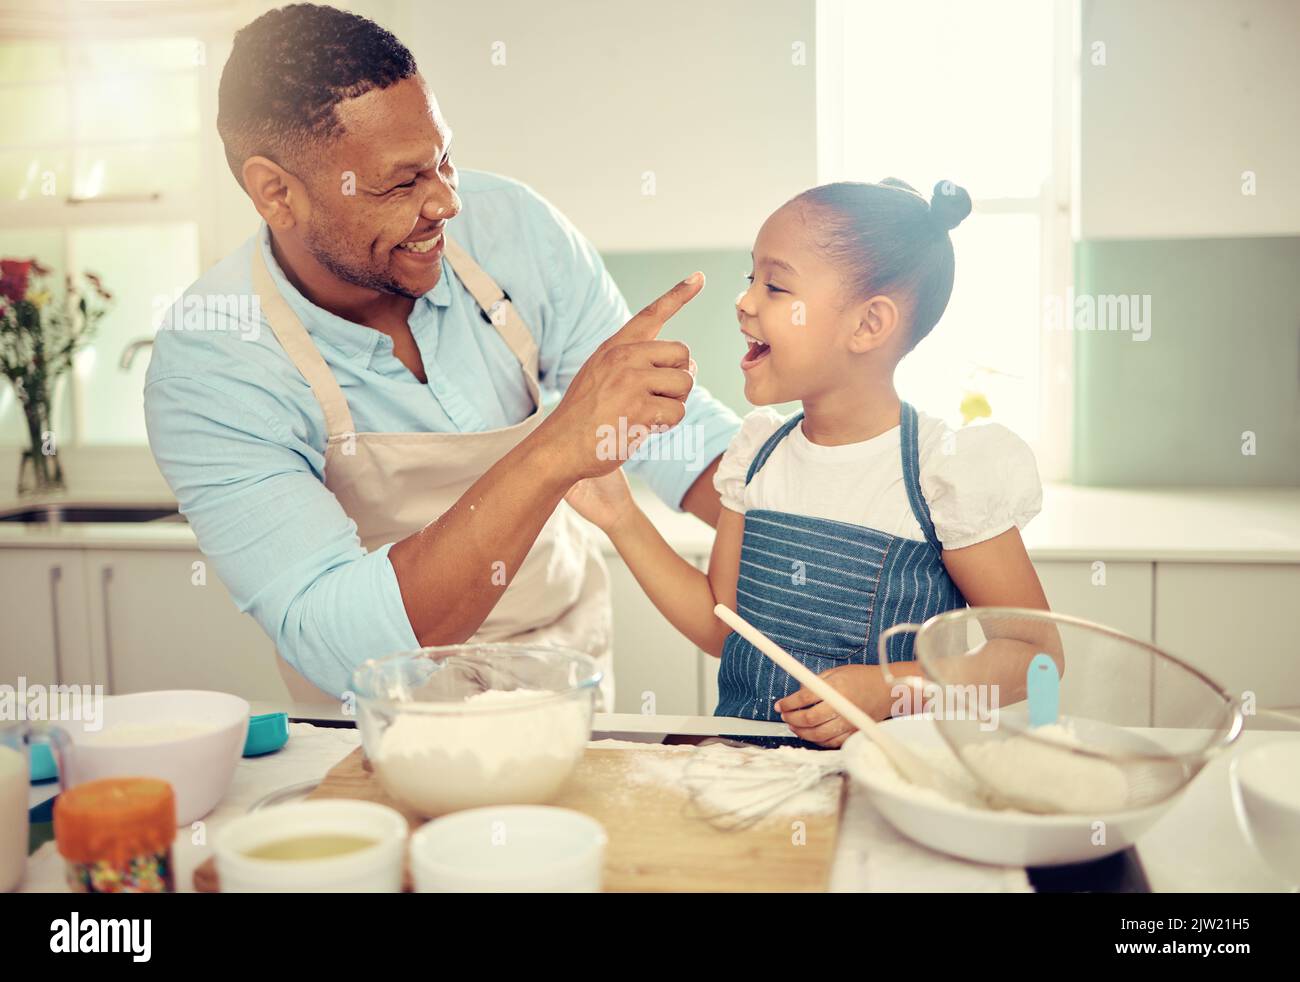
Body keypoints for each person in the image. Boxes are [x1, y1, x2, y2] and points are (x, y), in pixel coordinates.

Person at [143, 4, 739, 702]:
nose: (446, 202)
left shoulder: (512, 226)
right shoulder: (213, 361)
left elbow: (676, 437)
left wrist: (809, 511)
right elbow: (333, 634)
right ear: (276, 193)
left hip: (561, 681)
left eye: (444, 159)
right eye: (401, 183)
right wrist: (557, 447)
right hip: (375, 721)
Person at [565, 178, 1050, 746]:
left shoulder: (945, 474)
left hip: (884, 784)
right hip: (746, 774)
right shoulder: (756, 456)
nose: (744, 301)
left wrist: (892, 686)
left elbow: (1034, 660)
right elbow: (723, 623)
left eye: (774, 286)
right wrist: (621, 516)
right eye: (752, 279)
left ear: (869, 325)